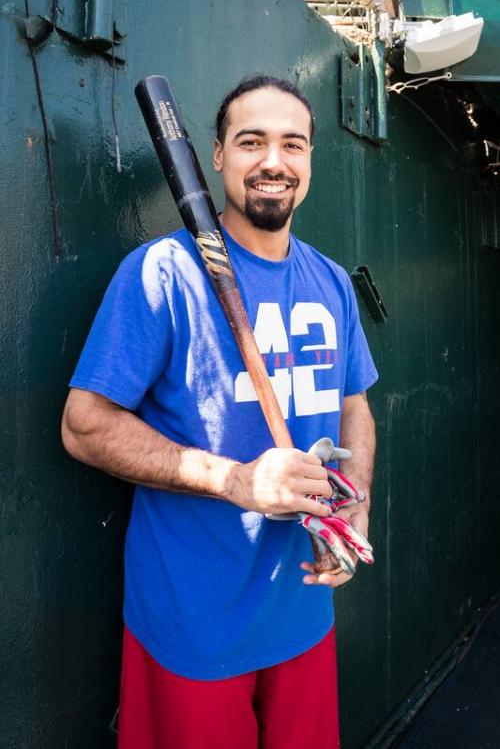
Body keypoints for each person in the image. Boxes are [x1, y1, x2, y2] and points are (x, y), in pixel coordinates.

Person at [61, 75, 378, 749]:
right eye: (251, 141)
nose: (273, 160)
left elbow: (355, 404)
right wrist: (236, 482)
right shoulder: (162, 273)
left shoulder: (328, 280)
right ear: (217, 156)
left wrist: (357, 507)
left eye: (292, 144)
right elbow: (83, 424)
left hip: (303, 609)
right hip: (193, 623)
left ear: (311, 159)